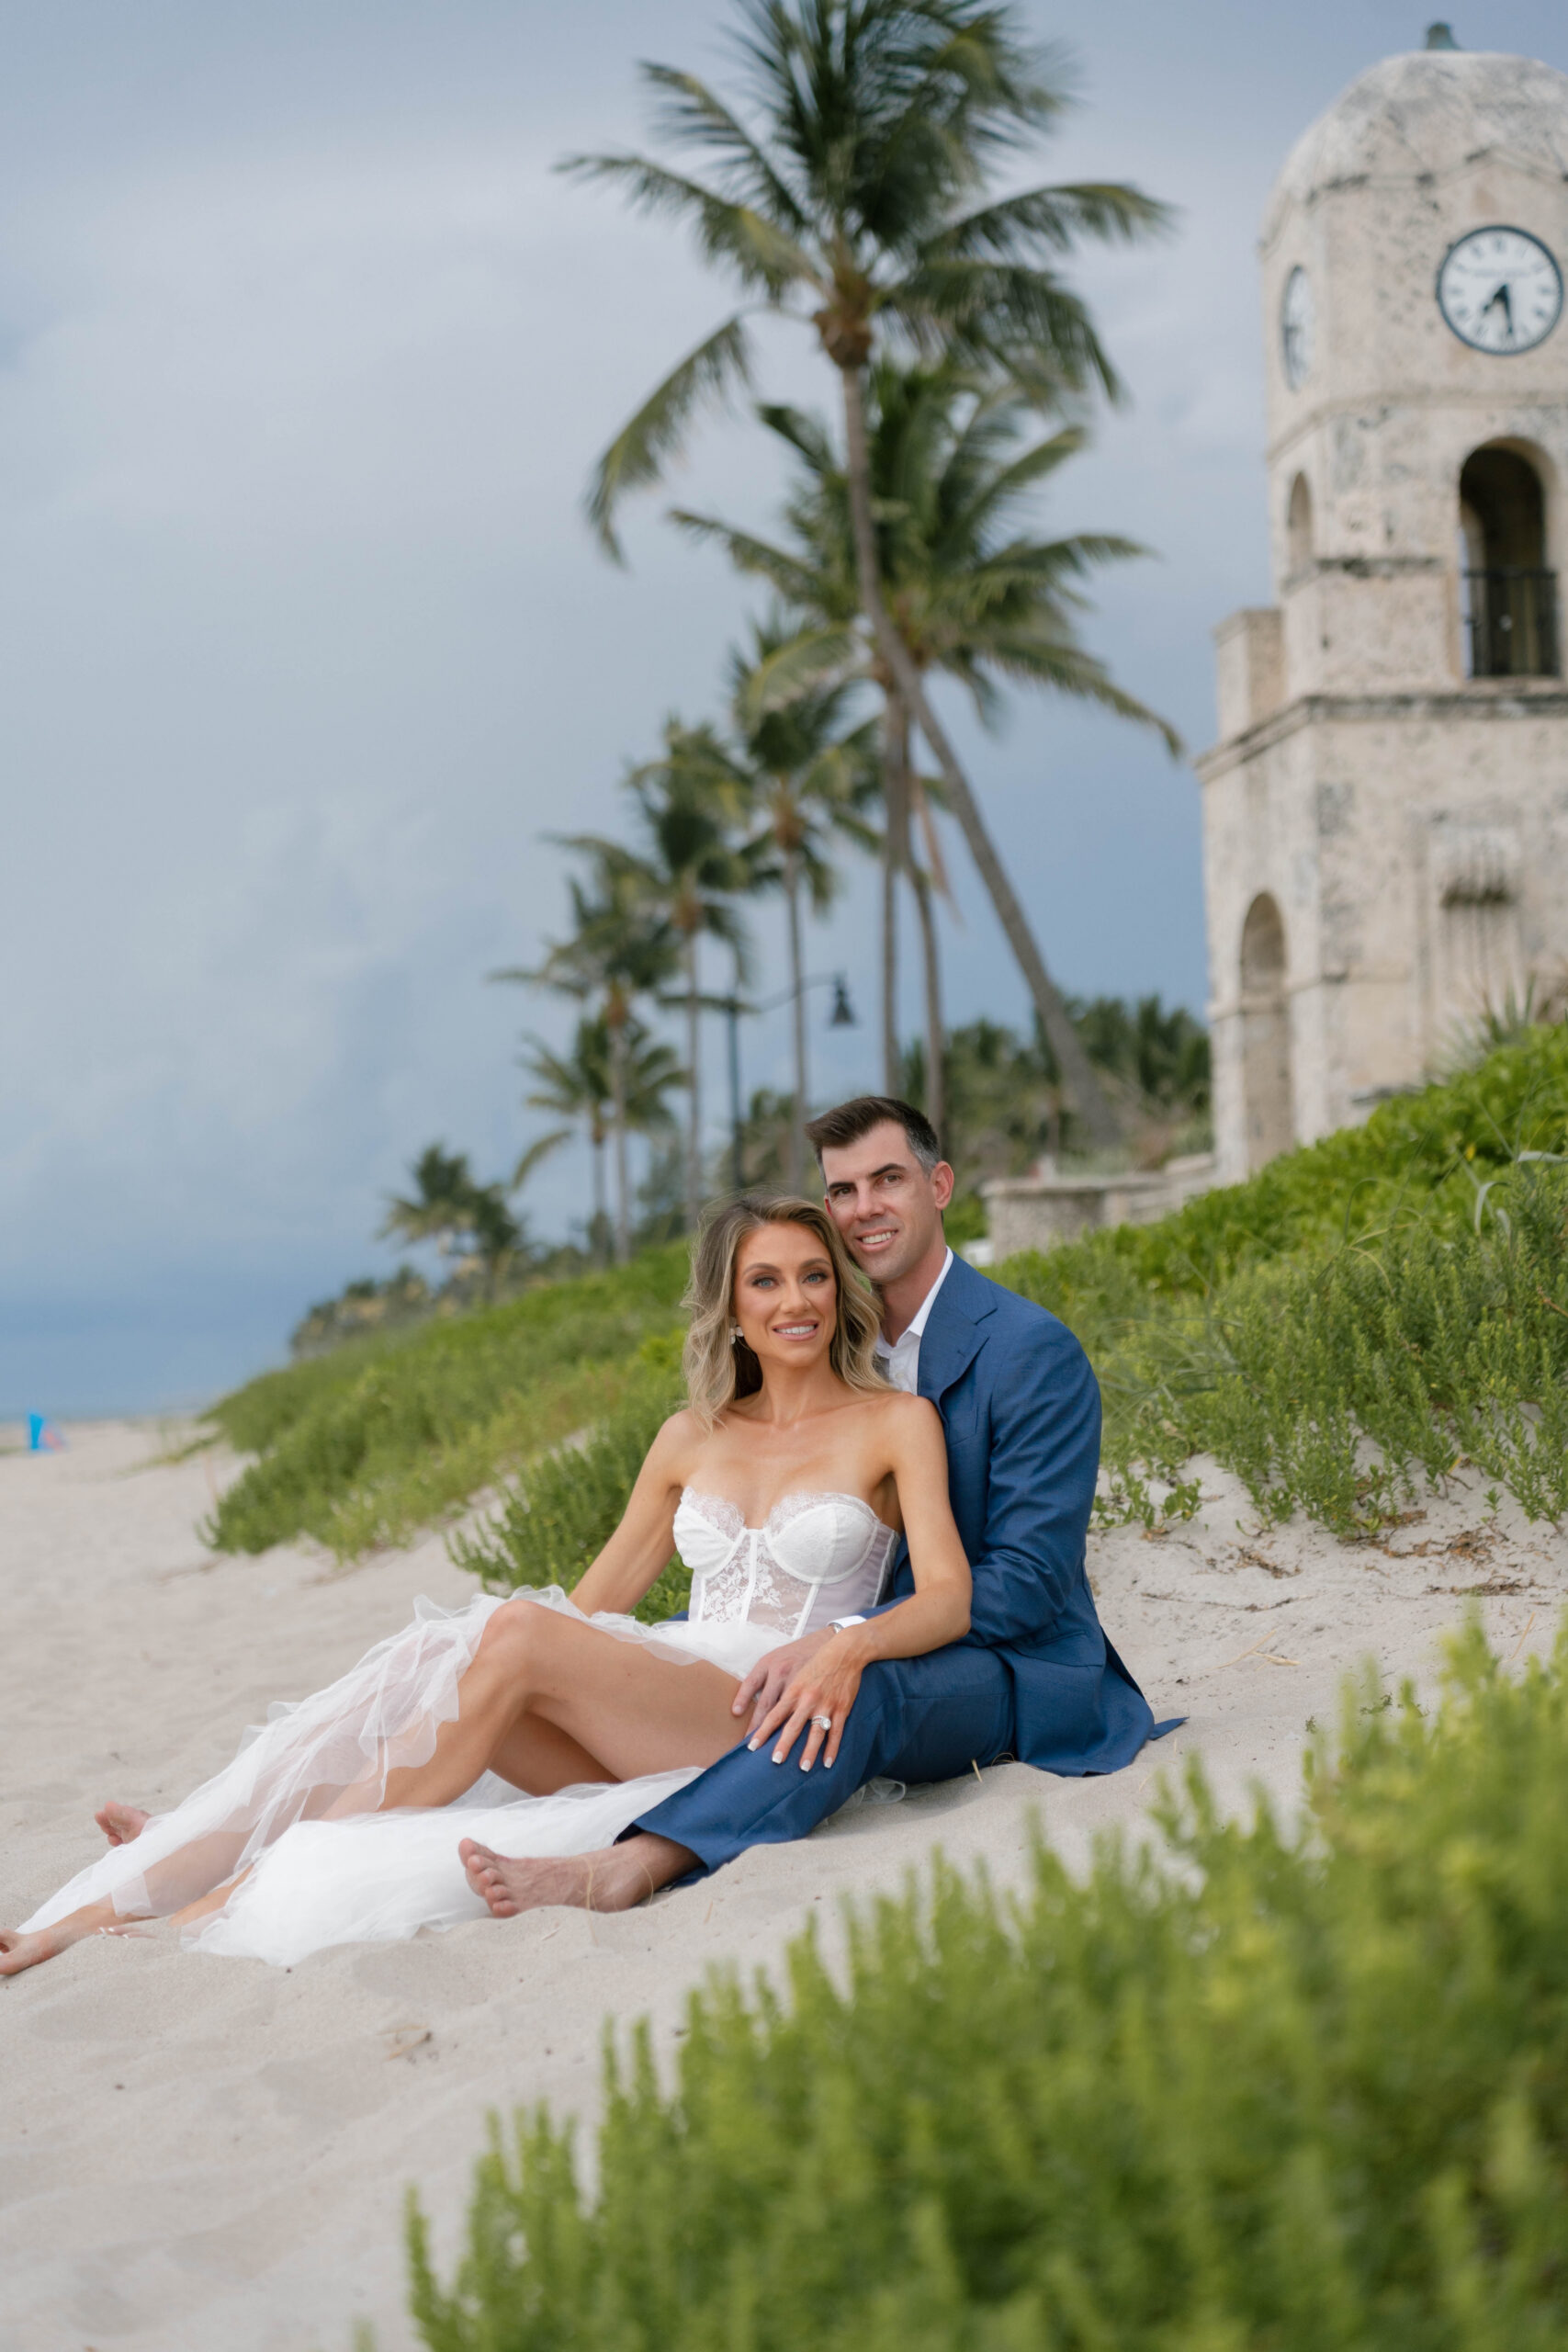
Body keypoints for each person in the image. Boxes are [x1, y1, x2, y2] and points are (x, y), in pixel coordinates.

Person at [0, 1194, 973, 1974]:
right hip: (662, 1693)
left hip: (767, 1713)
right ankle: (156, 1872)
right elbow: (591, 1611)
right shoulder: (690, 1436)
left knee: (504, 1636)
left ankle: (226, 1888)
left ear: (839, 1293)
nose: (794, 1299)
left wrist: (847, 1643)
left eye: (813, 1275)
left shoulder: (894, 1423)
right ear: (733, 1307)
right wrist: (483, 1653)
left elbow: (945, 1599)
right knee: (454, 1664)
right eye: (766, 1280)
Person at [461, 1096, 1163, 1920]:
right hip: (837, 1646)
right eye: (843, 1190)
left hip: (1008, 1661)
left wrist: (844, 1639)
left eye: (888, 1180)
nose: (864, 1208)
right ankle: (699, 1786)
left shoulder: (1027, 1350)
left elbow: (1031, 1580)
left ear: (939, 1186)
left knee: (855, 1686)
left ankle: (641, 1860)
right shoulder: (819, 1337)